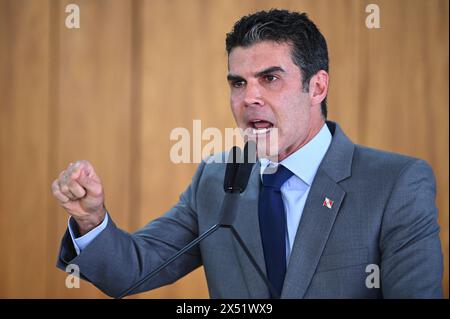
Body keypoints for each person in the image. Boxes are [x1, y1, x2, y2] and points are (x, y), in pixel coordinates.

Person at [52, 9, 443, 298]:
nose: (249, 98)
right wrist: (91, 219)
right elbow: (132, 271)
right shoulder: (217, 178)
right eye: (238, 83)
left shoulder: (396, 183)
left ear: (318, 87)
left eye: (269, 79)